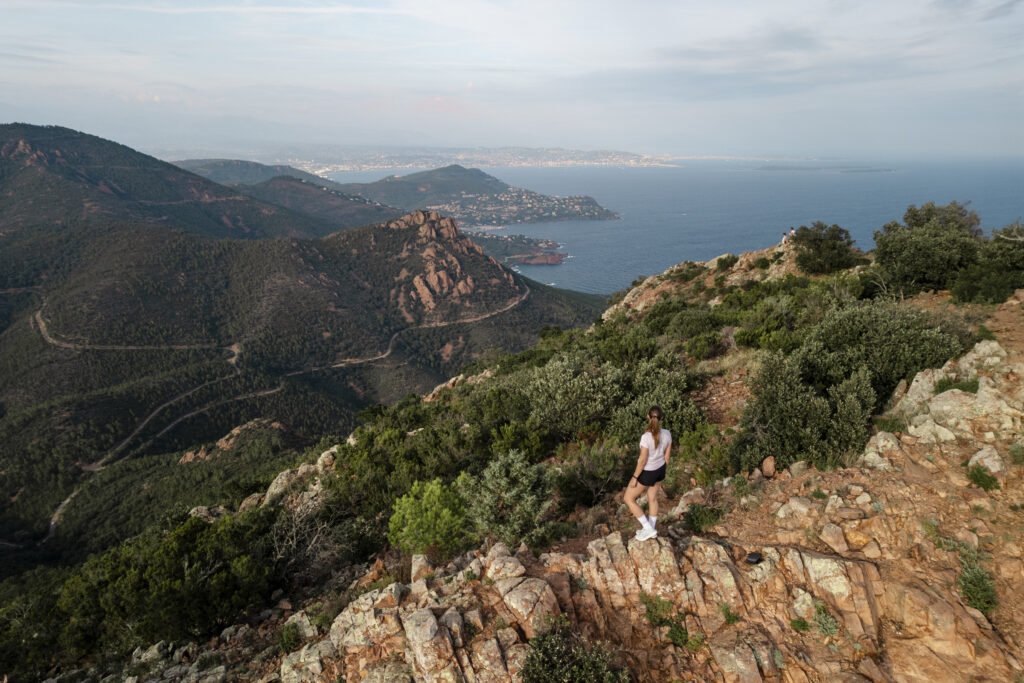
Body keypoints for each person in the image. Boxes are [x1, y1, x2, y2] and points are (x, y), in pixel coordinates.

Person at [624, 406, 672, 541]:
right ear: (662, 418)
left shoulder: (646, 437)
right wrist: (661, 471)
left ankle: (648, 528)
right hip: (660, 470)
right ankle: (651, 529)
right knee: (652, 498)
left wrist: (634, 478)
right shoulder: (667, 434)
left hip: (647, 472)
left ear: (647, 416)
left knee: (628, 499)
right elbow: (667, 458)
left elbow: (643, 460)